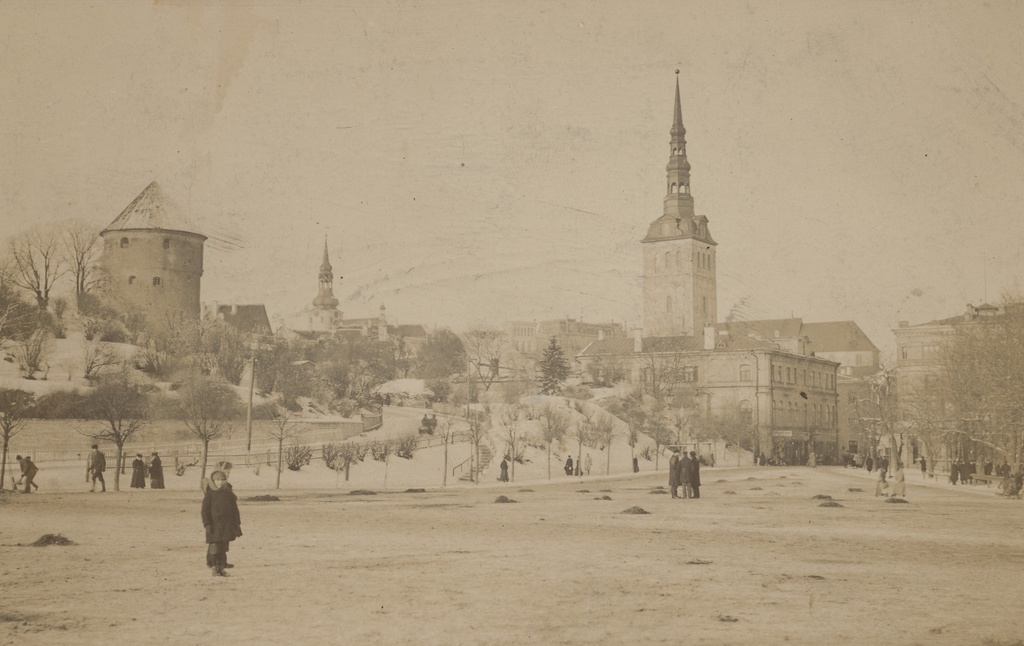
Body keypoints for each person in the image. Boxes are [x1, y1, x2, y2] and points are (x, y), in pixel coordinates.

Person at [201, 470, 242, 577]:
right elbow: (205, 511)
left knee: (223, 548)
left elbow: (234, 510)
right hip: (214, 526)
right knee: (214, 547)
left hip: (226, 526)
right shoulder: (209, 495)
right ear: (213, 481)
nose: (220, 482)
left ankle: (221, 567)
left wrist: (237, 523)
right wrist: (207, 524)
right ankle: (214, 567)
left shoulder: (229, 494)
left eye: (222, 480)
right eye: (218, 480)